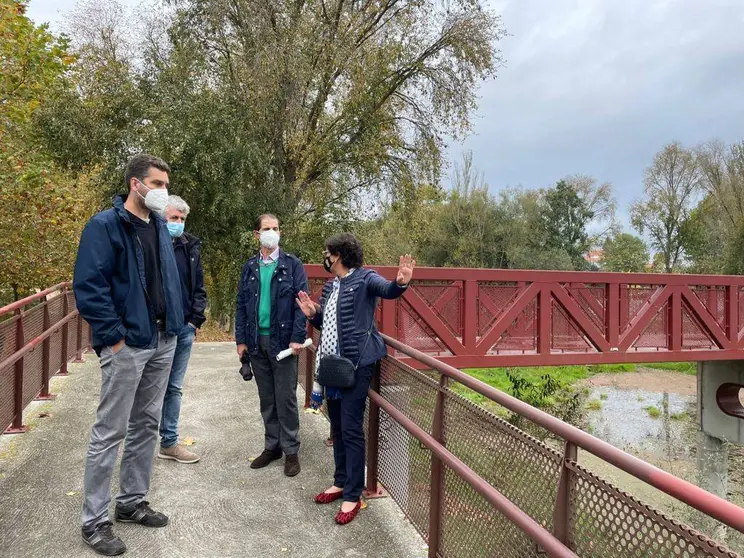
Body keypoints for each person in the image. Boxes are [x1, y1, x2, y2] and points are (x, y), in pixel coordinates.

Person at [73, 154, 184, 556]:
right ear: (136, 184)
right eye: (157, 184)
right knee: (110, 431)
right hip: (128, 344)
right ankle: (94, 520)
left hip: (162, 339)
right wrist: (114, 339)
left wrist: (178, 322)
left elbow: (167, 281)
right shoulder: (105, 225)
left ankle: (132, 502)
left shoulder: (158, 225)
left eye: (165, 184)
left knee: (146, 425)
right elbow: (89, 286)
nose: (163, 191)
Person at [296, 233, 414, 525]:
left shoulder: (365, 278)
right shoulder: (331, 285)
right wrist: (313, 314)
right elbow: (326, 321)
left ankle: (353, 493)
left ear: (339, 255)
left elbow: (387, 290)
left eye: (328, 253)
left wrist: (401, 282)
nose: (325, 257)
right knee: (337, 425)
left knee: (350, 427)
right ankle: (340, 482)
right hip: (333, 364)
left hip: (357, 364)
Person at [235, 214, 309, 477]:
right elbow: (242, 305)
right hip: (256, 341)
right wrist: (241, 341)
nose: (272, 232)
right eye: (267, 228)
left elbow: (302, 305)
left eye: (276, 228)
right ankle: (272, 446)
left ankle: (291, 451)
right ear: (257, 234)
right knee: (267, 397)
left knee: (286, 397)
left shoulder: (292, 265)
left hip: (284, 342)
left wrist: (298, 337)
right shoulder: (250, 267)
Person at [157, 195, 207, 464]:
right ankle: (138, 443)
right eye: (173, 218)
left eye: (181, 219)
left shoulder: (190, 247)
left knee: (174, 387)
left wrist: (194, 320)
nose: (177, 223)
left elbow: (198, 286)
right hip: (157, 329)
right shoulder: (151, 243)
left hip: (184, 327)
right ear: (161, 217)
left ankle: (169, 442)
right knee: (149, 387)